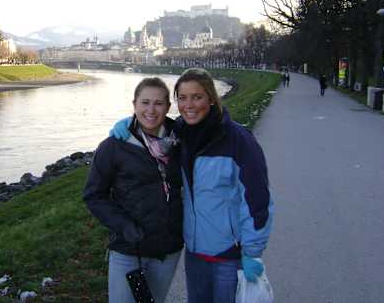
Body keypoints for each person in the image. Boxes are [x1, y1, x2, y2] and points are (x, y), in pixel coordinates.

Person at [112, 68, 273, 303]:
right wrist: (131, 125)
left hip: (229, 254)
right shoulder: (180, 134)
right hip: (195, 253)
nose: (189, 105)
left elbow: (258, 201)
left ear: (211, 97)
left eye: (197, 97)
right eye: (182, 98)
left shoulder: (238, 141)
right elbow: (154, 123)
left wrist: (253, 252)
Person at [83, 77, 183, 303]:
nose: (151, 110)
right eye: (145, 102)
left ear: (168, 107)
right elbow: (93, 195)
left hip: (168, 249)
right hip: (128, 249)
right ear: (134, 104)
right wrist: (124, 226)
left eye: (158, 103)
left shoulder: (180, 140)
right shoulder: (114, 146)